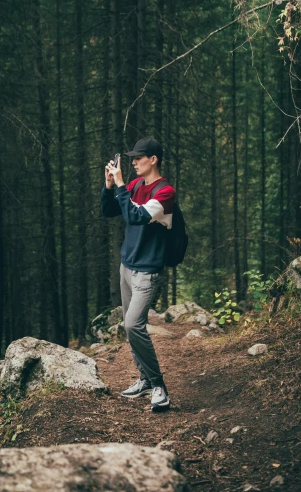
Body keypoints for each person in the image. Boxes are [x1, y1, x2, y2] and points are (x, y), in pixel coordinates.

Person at [101, 137, 175, 412]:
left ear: (153, 159)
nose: (132, 163)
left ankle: (159, 387)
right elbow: (108, 211)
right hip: (127, 266)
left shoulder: (165, 193)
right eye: (130, 158)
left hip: (147, 271)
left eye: (138, 158)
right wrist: (109, 186)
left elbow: (136, 216)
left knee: (134, 325)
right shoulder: (133, 186)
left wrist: (121, 186)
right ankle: (144, 379)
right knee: (130, 329)